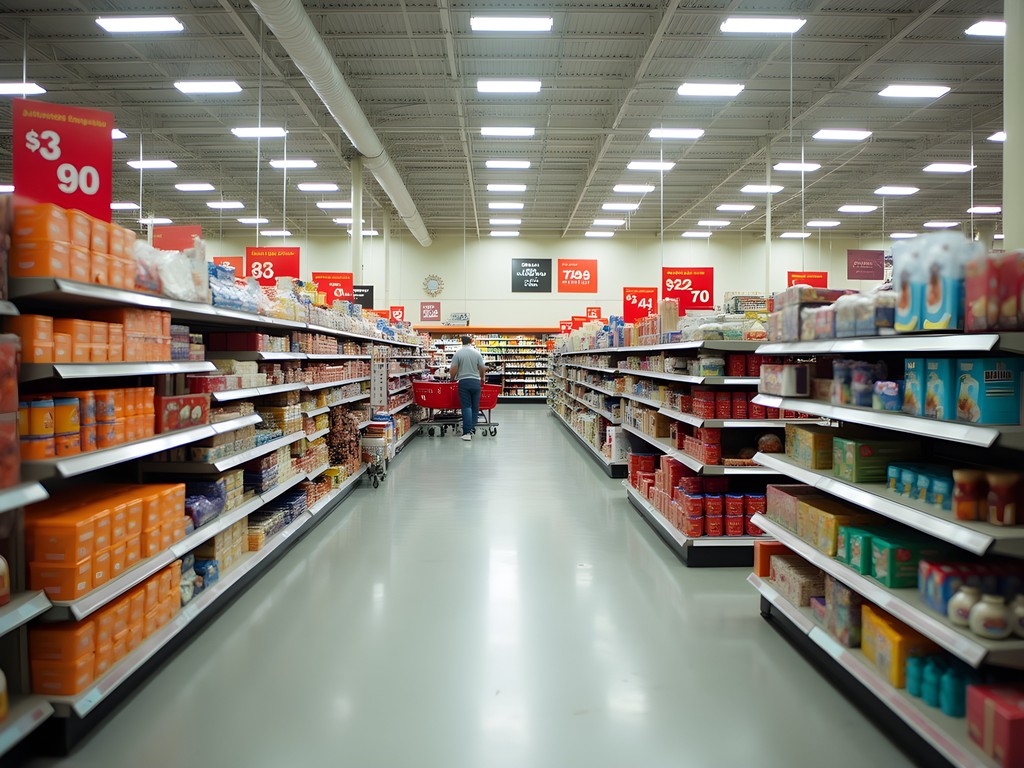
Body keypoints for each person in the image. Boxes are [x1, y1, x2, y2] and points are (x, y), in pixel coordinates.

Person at [448, 335, 486, 441]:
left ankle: (467, 432)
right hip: (476, 382)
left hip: (464, 382)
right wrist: (482, 378)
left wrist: (452, 378)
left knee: (466, 407)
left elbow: (454, 368)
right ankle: (472, 428)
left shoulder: (458, 353)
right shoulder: (477, 353)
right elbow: (482, 368)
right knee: (475, 407)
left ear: (462, 342)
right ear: (471, 341)